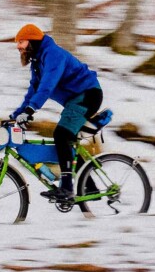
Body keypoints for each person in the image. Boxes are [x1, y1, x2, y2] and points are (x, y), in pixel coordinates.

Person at [9, 23, 103, 202]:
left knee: (61, 134)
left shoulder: (53, 54)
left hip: (88, 95)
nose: (18, 47)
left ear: (32, 41)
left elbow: (47, 85)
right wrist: (17, 114)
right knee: (67, 141)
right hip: (76, 100)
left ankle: (66, 188)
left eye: (21, 42)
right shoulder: (37, 62)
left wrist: (31, 109)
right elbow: (33, 90)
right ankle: (89, 187)